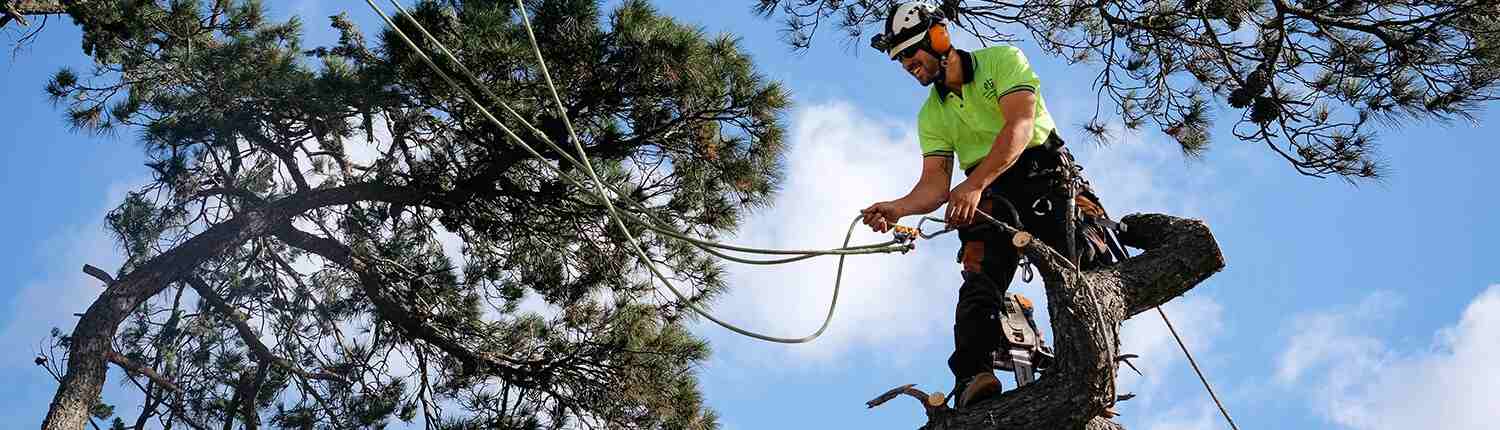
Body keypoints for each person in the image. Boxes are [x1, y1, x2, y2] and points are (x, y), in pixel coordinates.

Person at [860, 1, 1118, 409]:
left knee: (1082, 266)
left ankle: (1083, 363)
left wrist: (975, 184)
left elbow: (1019, 127)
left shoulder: (1002, 60)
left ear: (938, 38)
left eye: (911, 51)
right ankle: (973, 377)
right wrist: (898, 208)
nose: (907, 63)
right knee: (978, 282)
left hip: (1040, 178)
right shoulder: (933, 115)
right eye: (900, 58)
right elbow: (934, 186)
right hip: (989, 198)